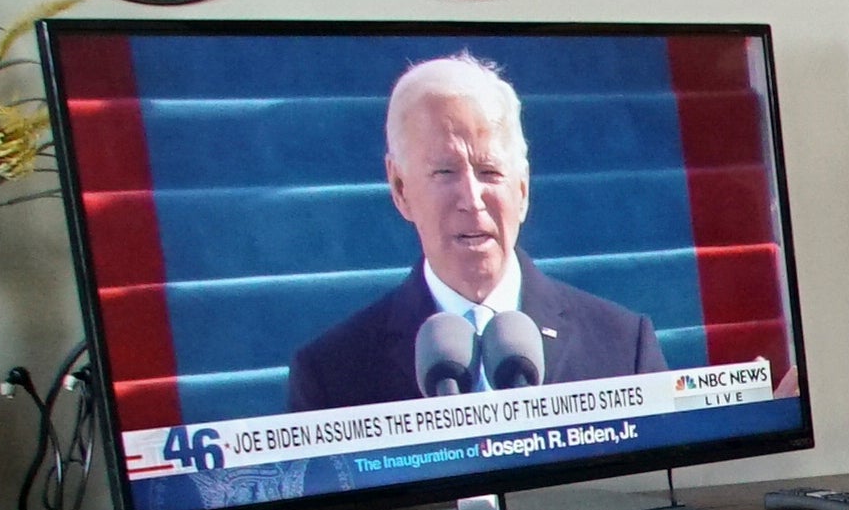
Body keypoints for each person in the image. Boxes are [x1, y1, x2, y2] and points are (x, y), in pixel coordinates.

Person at [278, 54, 662, 418]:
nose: (472, 200)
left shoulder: (625, 348)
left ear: (523, 189)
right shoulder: (331, 377)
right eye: (445, 172)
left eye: (490, 172)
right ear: (400, 188)